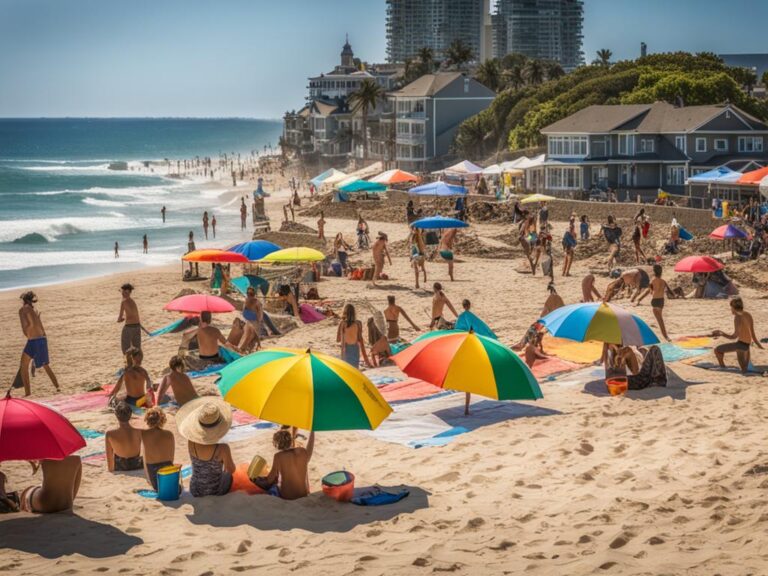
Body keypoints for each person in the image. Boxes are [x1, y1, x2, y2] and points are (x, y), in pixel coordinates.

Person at [181, 401, 235, 497]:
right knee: (228, 477)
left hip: (195, 489)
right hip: (215, 491)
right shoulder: (222, 448)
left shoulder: (191, 441)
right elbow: (231, 469)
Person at [18, 291, 59, 396]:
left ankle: (28, 393)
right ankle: (57, 387)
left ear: (23, 301)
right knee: (42, 365)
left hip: (34, 340)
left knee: (25, 366)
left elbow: (28, 325)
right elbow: (40, 326)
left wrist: (29, 327)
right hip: (39, 340)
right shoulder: (33, 310)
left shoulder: (23, 310)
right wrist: (44, 337)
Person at [256, 428, 315, 500]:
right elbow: (310, 446)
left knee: (273, 485)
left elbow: (270, 480)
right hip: (304, 494)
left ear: (276, 444)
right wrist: (312, 431)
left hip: (287, 497)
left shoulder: (278, 456)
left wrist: (257, 481)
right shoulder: (302, 451)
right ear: (291, 440)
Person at [712, 297, 763, 372]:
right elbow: (753, 334)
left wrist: (721, 333)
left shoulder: (737, 317)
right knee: (745, 370)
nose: (730, 310)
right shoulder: (748, 314)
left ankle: (722, 367)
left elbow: (734, 336)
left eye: (731, 307)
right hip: (747, 347)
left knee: (717, 350)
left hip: (740, 346)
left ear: (733, 307)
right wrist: (759, 345)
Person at [141, 407, 176, 491]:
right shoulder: (169, 434)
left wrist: (148, 479)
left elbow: (145, 459)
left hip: (154, 476)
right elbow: (171, 459)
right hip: (168, 473)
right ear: (162, 419)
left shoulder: (144, 434)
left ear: (147, 420)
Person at [636, 264, 673, 341]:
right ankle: (664, 335)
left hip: (655, 301)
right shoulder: (664, 281)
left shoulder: (652, 281)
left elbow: (651, 292)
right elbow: (670, 292)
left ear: (654, 272)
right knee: (660, 319)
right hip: (661, 301)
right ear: (661, 272)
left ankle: (666, 336)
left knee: (660, 320)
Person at [105, 402, 143, 473]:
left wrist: (111, 469)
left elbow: (110, 464)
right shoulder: (139, 432)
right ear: (130, 414)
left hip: (119, 466)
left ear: (116, 415)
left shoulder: (109, 434)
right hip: (137, 464)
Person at [118, 283, 142, 354]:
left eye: (123, 292)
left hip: (129, 327)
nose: (122, 293)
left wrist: (121, 319)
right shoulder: (133, 301)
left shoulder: (123, 302)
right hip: (137, 326)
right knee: (137, 350)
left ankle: (128, 363)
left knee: (125, 350)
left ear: (127, 292)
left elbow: (119, 318)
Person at [240, 286, 263, 351]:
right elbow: (259, 312)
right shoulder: (249, 300)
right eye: (248, 293)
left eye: (250, 294)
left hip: (252, 319)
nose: (249, 295)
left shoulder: (254, 301)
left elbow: (259, 311)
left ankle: (254, 347)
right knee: (251, 334)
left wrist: (259, 320)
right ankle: (252, 347)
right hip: (250, 319)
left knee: (253, 334)